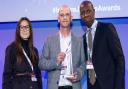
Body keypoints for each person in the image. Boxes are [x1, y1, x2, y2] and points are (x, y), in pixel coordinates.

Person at [80, 1, 125, 89]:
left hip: (110, 85)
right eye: (82, 13)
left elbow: (119, 58)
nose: (85, 15)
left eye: (88, 11)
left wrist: (119, 86)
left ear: (94, 12)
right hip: (92, 85)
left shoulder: (107, 29)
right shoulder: (83, 38)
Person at [39, 5, 85, 89]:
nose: (64, 17)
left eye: (67, 15)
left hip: (73, 86)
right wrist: (56, 62)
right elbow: (41, 63)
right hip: (55, 86)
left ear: (71, 18)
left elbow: (83, 64)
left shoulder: (79, 41)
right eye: (62, 15)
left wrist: (78, 74)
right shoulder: (49, 40)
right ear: (58, 19)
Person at [2, 17, 42, 89]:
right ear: (18, 30)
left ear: (30, 30)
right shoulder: (11, 49)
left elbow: (38, 75)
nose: (24, 30)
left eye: (27, 27)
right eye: (22, 27)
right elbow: (6, 75)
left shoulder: (34, 51)